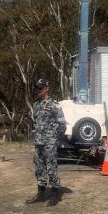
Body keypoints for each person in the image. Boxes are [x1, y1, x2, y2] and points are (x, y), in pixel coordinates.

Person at [26, 78, 67, 207]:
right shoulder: (36, 105)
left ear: (46, 89)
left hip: (49, 143)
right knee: (39, 169)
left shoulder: (54, 105)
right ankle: (40, 193)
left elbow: (62, 125)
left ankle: (55, 194)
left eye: (40, 88)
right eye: (37, 88)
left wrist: (53, 139)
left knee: (51, 169)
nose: (38, 90)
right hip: (38, 142)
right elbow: (36, 122)